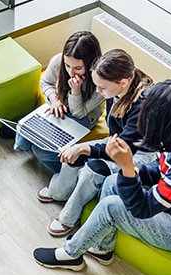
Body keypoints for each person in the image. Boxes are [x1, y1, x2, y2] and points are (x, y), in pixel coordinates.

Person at [33, 79, 171, 271]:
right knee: (111, 182)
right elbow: (161, 167)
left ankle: (70, 254)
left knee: (111, 207)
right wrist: (135, 172)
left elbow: (142, 208)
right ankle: (102, 248)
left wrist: (127, 167)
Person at [39, 49, 156, 237]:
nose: (98, 92)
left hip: (139, 153)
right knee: (75, 154)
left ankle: (68, 218)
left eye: (102, 88)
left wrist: (85, 148)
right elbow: (115, 137)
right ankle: (59, 192)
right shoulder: (120, 88)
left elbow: (124, 148)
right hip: (117, 140)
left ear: (123, 82)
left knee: (92, 170)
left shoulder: (143, 107)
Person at [12, 31, 104, 173]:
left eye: (78, 68)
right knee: (24, 132)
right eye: (67, 66)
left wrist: (76, 91)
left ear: (91, 62)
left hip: (85, 114)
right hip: (60, 103)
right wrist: (55, 101)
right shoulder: (58, 61)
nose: (71, 73)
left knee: (43, 151)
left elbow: (79, 113)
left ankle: (67, 172)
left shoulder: (101, 79)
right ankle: (31, 144)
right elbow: (45, 82)